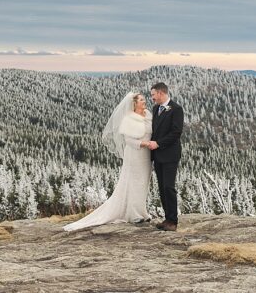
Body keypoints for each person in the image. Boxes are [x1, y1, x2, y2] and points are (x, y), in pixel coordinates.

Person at [62, 91, 153, 232]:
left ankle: (142, 211)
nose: (144, 101)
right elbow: (128, 140)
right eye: (141, 100)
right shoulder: (129, 118)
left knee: (143, 182)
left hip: (146, 155)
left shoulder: (148, 115)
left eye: (143, 99)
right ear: (134, 103)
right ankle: (134, 214)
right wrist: (145, 144)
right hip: (135, 154)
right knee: (133, 182)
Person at [141, 81, 184, 231]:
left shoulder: (176, 109)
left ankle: (173, 221)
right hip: (158, 155)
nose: (152, 98)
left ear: (161, 93)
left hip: (170, 154)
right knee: (162, 187)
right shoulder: (156, 108)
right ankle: (167, 219)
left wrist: (158, 143)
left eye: (153, 95)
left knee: (169, 187)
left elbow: (176, 133)